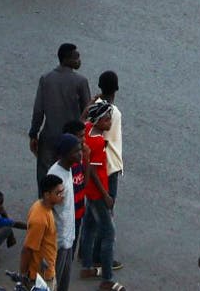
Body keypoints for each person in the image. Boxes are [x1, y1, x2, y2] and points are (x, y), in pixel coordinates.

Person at [30, 43, 90, 190]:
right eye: (76, 57)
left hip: (49, 138)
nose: (79, 60)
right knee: (69, 181)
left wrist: (33, 134)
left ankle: (45, 211)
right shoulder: (81, 82)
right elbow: (87, 111)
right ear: (67, 59)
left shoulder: (46, 79)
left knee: (45, 181)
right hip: (71, 141)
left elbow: (38, 110)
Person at [77, 102, 121, 288]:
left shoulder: (87, 130)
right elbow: (93, 172)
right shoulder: (95, 141)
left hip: (90, 192)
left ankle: (87, 266)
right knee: (108, 234)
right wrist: (106, 196)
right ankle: (107, 279)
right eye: (106, 119)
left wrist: (86, 111)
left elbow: (81, 122)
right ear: (98, 121)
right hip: (98, 193)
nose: (110, 122)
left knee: (88, 227)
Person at [46, 133, 83, 291]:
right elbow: (47, 208)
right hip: (58, 241)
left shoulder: (68, 169)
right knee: (53, 281)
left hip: (68, 236)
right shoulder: (55, 177)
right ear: (66, 154)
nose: (80, 153)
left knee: (63, 282)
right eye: (76, 151)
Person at [21, 173, 62, 290]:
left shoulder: (45, 207)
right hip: (40, 277)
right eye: (58, 193)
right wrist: (23, 276)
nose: (62, 196)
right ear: (47, 194)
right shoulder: (39, 219)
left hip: (47, 271)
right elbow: (27, 249)